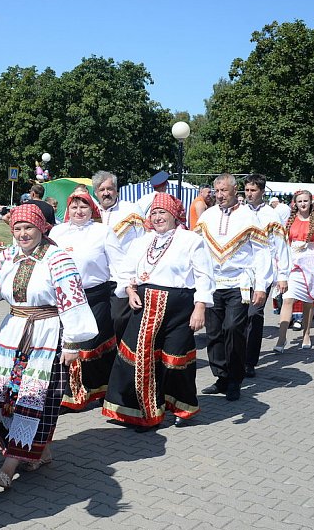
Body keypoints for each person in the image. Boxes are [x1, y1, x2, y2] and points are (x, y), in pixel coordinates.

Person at [0, 204, 97, 487]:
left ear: (42, 228)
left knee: (34, 398)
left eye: (29, 228)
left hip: (47, 336)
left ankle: (9, 465)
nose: (23, 234)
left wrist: (73, 341)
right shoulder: (7, 257)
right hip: (13, 334)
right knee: (9, 394)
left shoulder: (58, 258)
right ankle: (39, 450)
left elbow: (72, 300)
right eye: (18, 228)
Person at [105, 193, 214, 429]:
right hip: (145, 307)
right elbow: (126, 271)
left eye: (162, 212)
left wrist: (200, 307)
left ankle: (181, 407)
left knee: (175, 360)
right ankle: (144, 412)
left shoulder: (191, 240)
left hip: (179, 308)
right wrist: (130, 291)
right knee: (139, 359)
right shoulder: (142, 241)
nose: (157, 217)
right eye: (153, 213)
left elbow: (204, 275)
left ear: (174, 215)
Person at [193, 173, 271, 401]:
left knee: (234, 329)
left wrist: (262, 285)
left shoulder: (249, 216)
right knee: (214, 332)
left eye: (224, 191)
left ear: (235, 190)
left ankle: (236, 379)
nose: (219, 196)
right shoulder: (207, 216)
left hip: (239, 283)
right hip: (212, 283)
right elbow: (196, 248)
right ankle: (221, 377)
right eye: (216, 191)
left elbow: (262, 251)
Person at [49, 191, 125, 411]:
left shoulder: (102, 231)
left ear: (92, 209)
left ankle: (103, 389)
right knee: (68, 344)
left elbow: (118, 262)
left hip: (96, 295)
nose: (78, 211)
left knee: (94, 344)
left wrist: (125, 289)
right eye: (74, 207)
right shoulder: (58, 232)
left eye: (83, 207)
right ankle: (71, 395)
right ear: (68, 210)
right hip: (65, 297)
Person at [242, 175, 291, 377]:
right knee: (239, 316)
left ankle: (249, 361)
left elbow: (281, 246)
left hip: (264, 271)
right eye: (246, 190)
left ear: (262, 191)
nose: (249, 194)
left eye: (253, 190)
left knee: (254, 314)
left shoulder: (271, 215)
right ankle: (236, 356)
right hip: (242, 272)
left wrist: (283, 275)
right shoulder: (240, 212)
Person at [274, 190, 314, 351]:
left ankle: (306, 334)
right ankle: (281, 339)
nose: (303, 204)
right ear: (295, 203)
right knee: (288, 299)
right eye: (299, 201)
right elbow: (283, 244)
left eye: (305, 201)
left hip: (309, 262)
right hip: (293, 263)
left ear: (311, 202)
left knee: (308, 301)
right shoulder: (289, 222)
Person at [91, 171, 145, 343]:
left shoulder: (131, 210)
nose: (106, 193)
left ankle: (123, 357)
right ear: (96, 192)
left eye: (110, 189)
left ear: (116, 190)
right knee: (100, 322)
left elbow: (143, 240)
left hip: (122, 275)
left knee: (119, 319)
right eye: (102, 190)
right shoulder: (89, 211)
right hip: (97, 277)